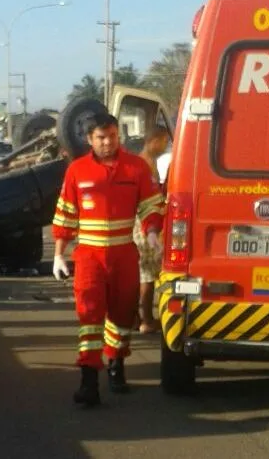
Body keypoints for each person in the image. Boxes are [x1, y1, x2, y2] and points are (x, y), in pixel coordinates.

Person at [51, 112, 164, 406]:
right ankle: (89, 380)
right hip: (89, 255)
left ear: (118, 136)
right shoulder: (77, 171)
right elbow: (65, 214)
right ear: (90, 139)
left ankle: (116, 364)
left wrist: (152, 231)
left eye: (112, 136)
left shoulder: (135, 167)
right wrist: (58, 255)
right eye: (101, 138)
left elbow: (152, 204)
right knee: (89, 315)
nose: (107, 142)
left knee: (122, 315)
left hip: (124, 253)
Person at [132, 127, 170, 334]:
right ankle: (146, 319)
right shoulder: (143, 164)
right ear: (154, 140)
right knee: (146, 275)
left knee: (145, 274)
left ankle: (137, 317)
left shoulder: (149, 163)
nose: (165, 146)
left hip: (149, 224)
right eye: (164, 141)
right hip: (145, 225)